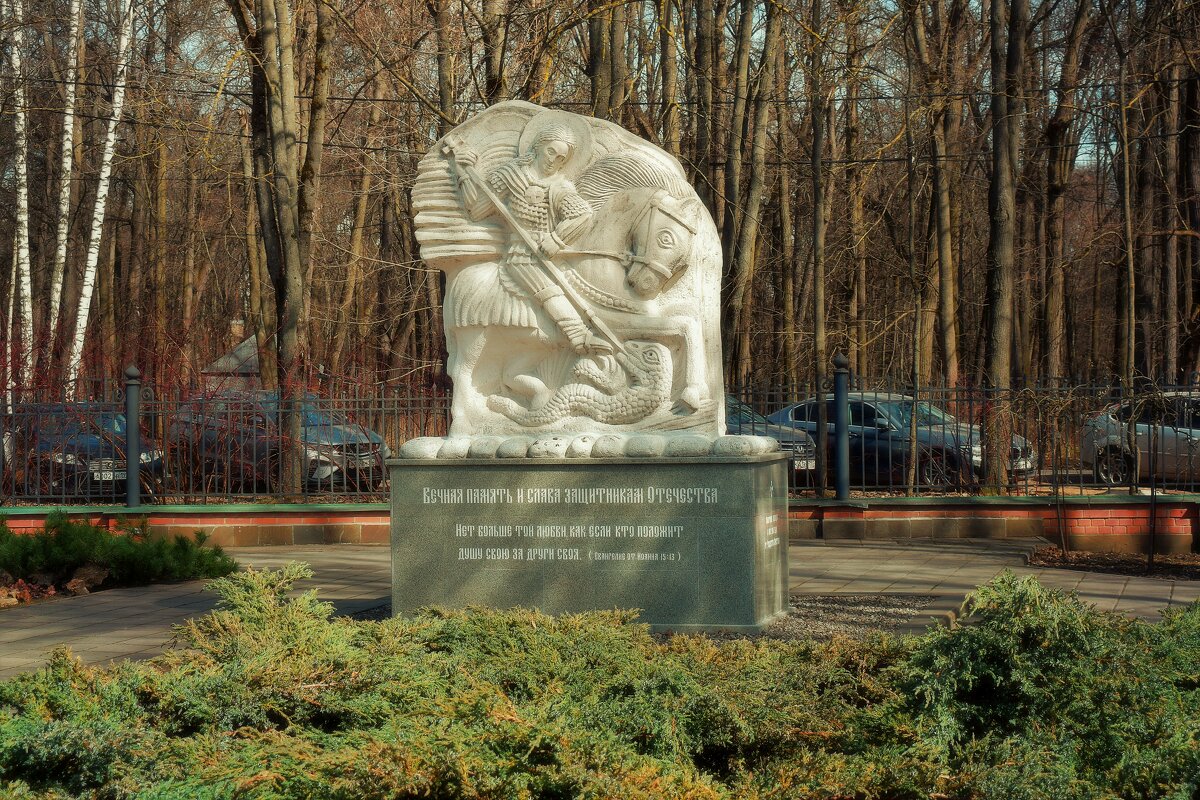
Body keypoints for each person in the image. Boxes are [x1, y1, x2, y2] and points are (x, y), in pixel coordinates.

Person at [452, 123, 611, 355]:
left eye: (560, 158)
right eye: (550, 152)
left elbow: (583, 215)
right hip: (521, 254)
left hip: (551, 252)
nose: (553, 161)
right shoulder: (510, 175)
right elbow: (476, 210)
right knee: (546, 287)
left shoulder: (560, 186)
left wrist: (556, 239)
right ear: (538, 146)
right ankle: (577, 335)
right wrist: (463, 172)